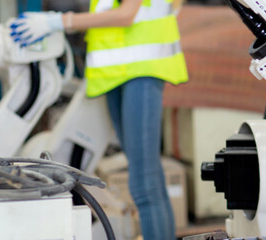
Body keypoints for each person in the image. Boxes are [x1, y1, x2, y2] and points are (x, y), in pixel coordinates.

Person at [10, 0, 187, 238]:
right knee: (146, 176)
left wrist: (59, 22)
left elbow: (126, 15)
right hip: (116, 74)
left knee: (144, 183)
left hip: (142, 70)